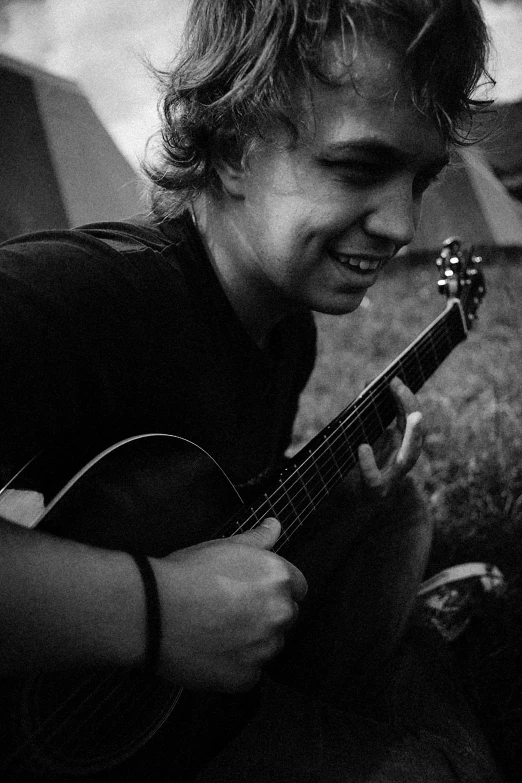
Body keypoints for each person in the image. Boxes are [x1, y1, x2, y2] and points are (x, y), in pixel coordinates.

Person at [0, 0, 504, 780]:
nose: (405, 222)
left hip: (169, 706)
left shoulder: (285, 329)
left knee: (393, 507)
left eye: (422, 177)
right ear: (233, 146)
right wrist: (156, 609)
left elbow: (219, 503)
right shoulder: (92, 295)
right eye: (358, 167)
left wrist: (334, 496)